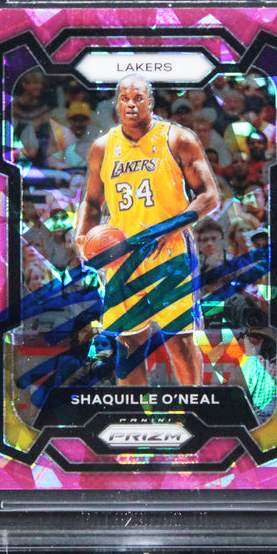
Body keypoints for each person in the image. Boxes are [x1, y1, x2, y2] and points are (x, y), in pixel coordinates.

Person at [75, 75, 218, 386]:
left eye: (138, 98)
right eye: (124, 98)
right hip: (122, 256)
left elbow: (209, 196)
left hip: (169, 253)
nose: (131, 104)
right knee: (128, 345)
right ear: (116, 103)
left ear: (150, 102)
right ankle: (134, 410)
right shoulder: (102, 147)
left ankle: (191, 406)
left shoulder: (178, 139)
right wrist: (82, 237)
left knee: (179, 341)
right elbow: (92, 202)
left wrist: (170, 227)